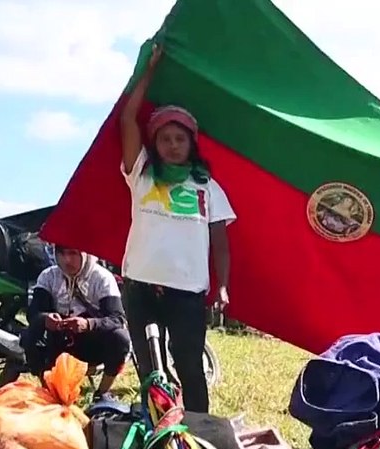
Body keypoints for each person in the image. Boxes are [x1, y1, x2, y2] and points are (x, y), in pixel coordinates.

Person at [118, 42, 235, 414]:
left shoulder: (207, 187)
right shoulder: (141, 175)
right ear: (155, 143)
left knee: (189, 369)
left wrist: (222, 285)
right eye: (165, 139)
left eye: (179, 139)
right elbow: (127, 119)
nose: (172, 145)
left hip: (187, 293)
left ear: (191, 144)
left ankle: (200, 433)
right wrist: (149, 71)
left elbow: (221, 243)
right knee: (150, 372)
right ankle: (157, 437)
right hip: (139, 286)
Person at [24, 246, 130, 401]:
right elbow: (32, 314)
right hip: (59, 341)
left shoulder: (102, 278)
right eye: (61, 253)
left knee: (120, 338)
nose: (67, 260)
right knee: (30, 334)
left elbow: (117, 318)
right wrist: (46, 319)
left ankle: (102, 393)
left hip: (92, 343)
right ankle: (50, 391)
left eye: (73, 253)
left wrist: (88, 324)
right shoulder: (48, 277)